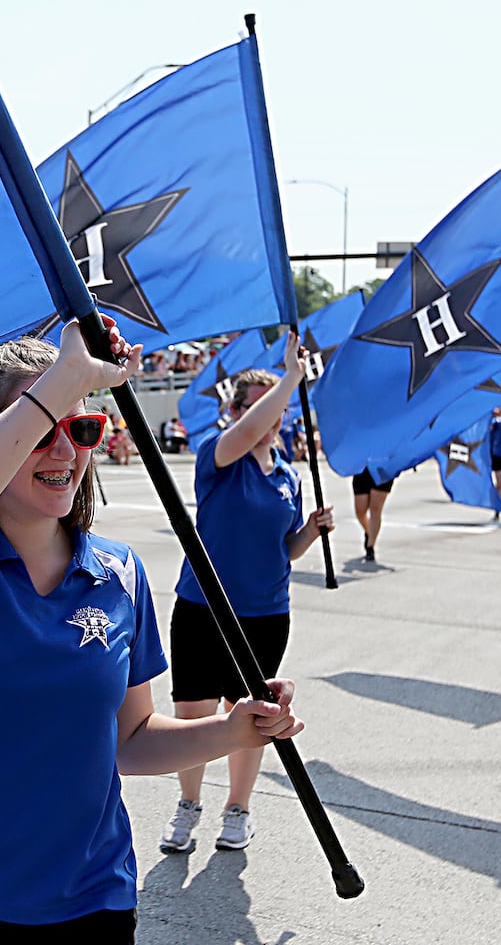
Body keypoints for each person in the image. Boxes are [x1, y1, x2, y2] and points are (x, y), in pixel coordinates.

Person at [0, 318, 302, 938]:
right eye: (39, 429)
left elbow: (130, 738)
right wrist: (68, 377)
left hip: (92, 899)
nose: (66, 451)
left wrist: (231, 730)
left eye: (81, 428)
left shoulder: (119, 570)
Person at [160, 337, 334, 856]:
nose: (271, 415)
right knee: (194, 713)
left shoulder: (287, 475)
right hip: (202, 608)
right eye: (254, 403)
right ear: (233, 411)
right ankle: (189, 804)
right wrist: (289, 379)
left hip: (264, 613)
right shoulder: (219, 456)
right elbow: (254, 428)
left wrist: (310, 531)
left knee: (248, 716)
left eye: (274, 404)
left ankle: (238, 810)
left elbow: (286, 550)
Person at [351, 468, 393, 563]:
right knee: (360, 511)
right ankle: (369, 533)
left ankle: (370, 547)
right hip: (363, 469)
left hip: (383, 469)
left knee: (375, 510)